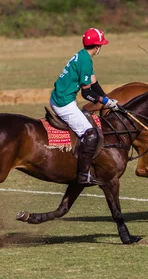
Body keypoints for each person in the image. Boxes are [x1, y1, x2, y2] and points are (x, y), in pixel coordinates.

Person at [50, 28, 120, 186]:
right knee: (91, 134)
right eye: (101, 45)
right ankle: (83, 175)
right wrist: (104, 101)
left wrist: (107, 98)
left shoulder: (83, 55)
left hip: (60, 97)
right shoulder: (85, 60)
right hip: (63, 103)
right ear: (97, 46)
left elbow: (93, 82)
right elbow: (86, 93)